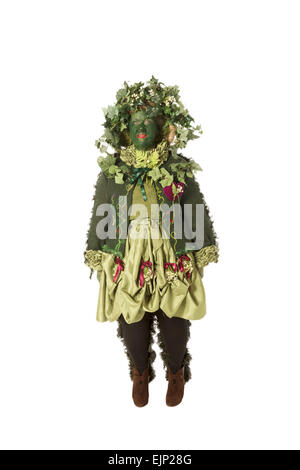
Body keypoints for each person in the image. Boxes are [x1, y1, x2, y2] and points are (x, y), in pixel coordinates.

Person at [84, 76, 218, 407]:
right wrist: (99, 251)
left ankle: (176, 370)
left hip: (170, 251)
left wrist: (201, 247)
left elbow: (194, 207)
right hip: (129, 255)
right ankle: (140, 372)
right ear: (125, 128)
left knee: (174, 324)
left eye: (148, 121)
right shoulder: (113, 171)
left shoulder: (177, 167)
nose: (142, 127)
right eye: (135, 121)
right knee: (132, 324)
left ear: (160, 128)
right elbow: (104, 212)